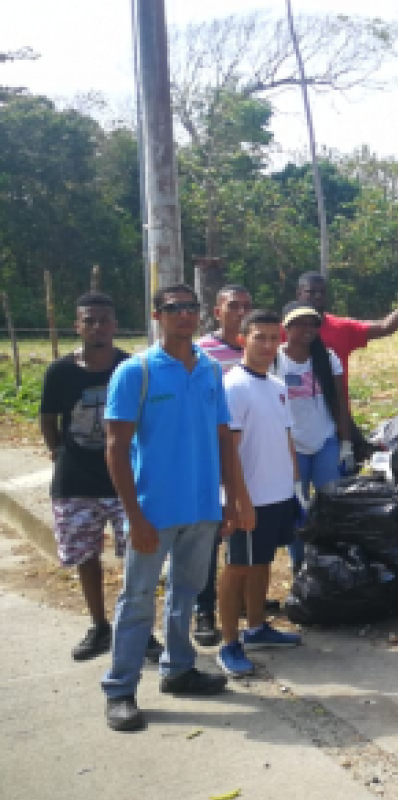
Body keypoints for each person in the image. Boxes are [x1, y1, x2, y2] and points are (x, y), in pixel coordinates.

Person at [101, 284, 253, 732]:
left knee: (185, 596)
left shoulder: (208, 370)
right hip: (153, 512)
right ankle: (121, 689)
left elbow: (224, 437)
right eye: (173, 308)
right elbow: (115, 448)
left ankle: (179, 669)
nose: (184, 315)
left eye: (190, 308)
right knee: (137, 601)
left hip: (203, 508)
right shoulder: (138, 372)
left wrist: (229, 501)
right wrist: (134, 516)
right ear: (157, 315)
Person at [39, 293, 161, 662]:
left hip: (126, 480)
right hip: (75, 482)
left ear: (115, 325)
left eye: (103, 320)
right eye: (88, 321)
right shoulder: (60, 372)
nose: (97, 328)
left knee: (139, 558)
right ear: (77, 326)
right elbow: (48, 419)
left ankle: (141, 629)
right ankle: (99, 625)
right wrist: (61, 451)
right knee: (85, 556)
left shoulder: (133, 367)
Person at [216, 310, 303, 678]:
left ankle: (256, 627)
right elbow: (229, 448)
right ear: (243, 339)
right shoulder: (233, 386)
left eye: (273, 338)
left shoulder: (277, 387)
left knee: (262, 562)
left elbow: (285, 439)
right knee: (237, 568)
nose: (267, 345)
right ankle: (228, 643)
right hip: (247, 499)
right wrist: (239, 500)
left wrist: (295, 489)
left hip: (278, 496)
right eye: (259, 337)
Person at [296, 272, 398, 468]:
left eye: (322, 292)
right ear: (299, 294)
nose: (317, 297)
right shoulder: (280, 332)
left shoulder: (340, 328)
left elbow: (383, 327)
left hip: (336, 419)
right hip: (296, 421)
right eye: (311, 292)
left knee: (339, 482)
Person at [192, 284, 254, 647]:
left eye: (247, 306)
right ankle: (204, 609)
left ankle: (245, 601)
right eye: (234, 306)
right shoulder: (202, 353)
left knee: (247, 530)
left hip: (251, 457)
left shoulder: (260, 348)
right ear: (218, 312)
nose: (241, 312)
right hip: (214, 457)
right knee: (211, 537)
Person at [275, 301, 351, 570]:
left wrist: (346, 442)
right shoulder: (276, 361)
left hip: (326, 441)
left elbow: (340, 401)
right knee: (297, 507)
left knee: (330, 502)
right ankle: (300, 564)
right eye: (299, 323)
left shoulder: (327, 357)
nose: (307, 329)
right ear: (286, 327)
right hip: (292, 445)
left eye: (312, 324)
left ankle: (329, 560)